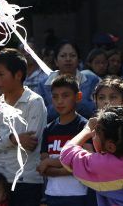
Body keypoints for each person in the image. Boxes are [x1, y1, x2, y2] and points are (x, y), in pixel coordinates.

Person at [0, 48, 47, 206]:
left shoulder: (35, 102)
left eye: (1, 74)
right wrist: (15, 139)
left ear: (18, 75)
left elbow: (30, 144)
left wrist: (4, 136)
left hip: (26, 181)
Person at [60, 106, 123, 206]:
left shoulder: (106, 166)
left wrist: (86, 130)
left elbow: (67, 154)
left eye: (97, 131)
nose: (93, 133)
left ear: (110, 147)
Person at [37, 75, 89, 206]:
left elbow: (84, 163)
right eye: (55, 96)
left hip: (80, 195)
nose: (59, 101)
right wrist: (68, 168)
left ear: (78, 97)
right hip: (52, 194)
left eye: (65, 95)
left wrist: (51, 163)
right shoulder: (48, 129)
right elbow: (44, 166)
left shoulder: (84, 127)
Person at [38, 40, 100, 122]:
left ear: (78, 60)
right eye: (63, 56)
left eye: (72, 55)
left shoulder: (91, 80)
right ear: (56, 61)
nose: (68, 59)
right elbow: (42, 113)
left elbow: (95, 110)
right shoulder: (44, 84)